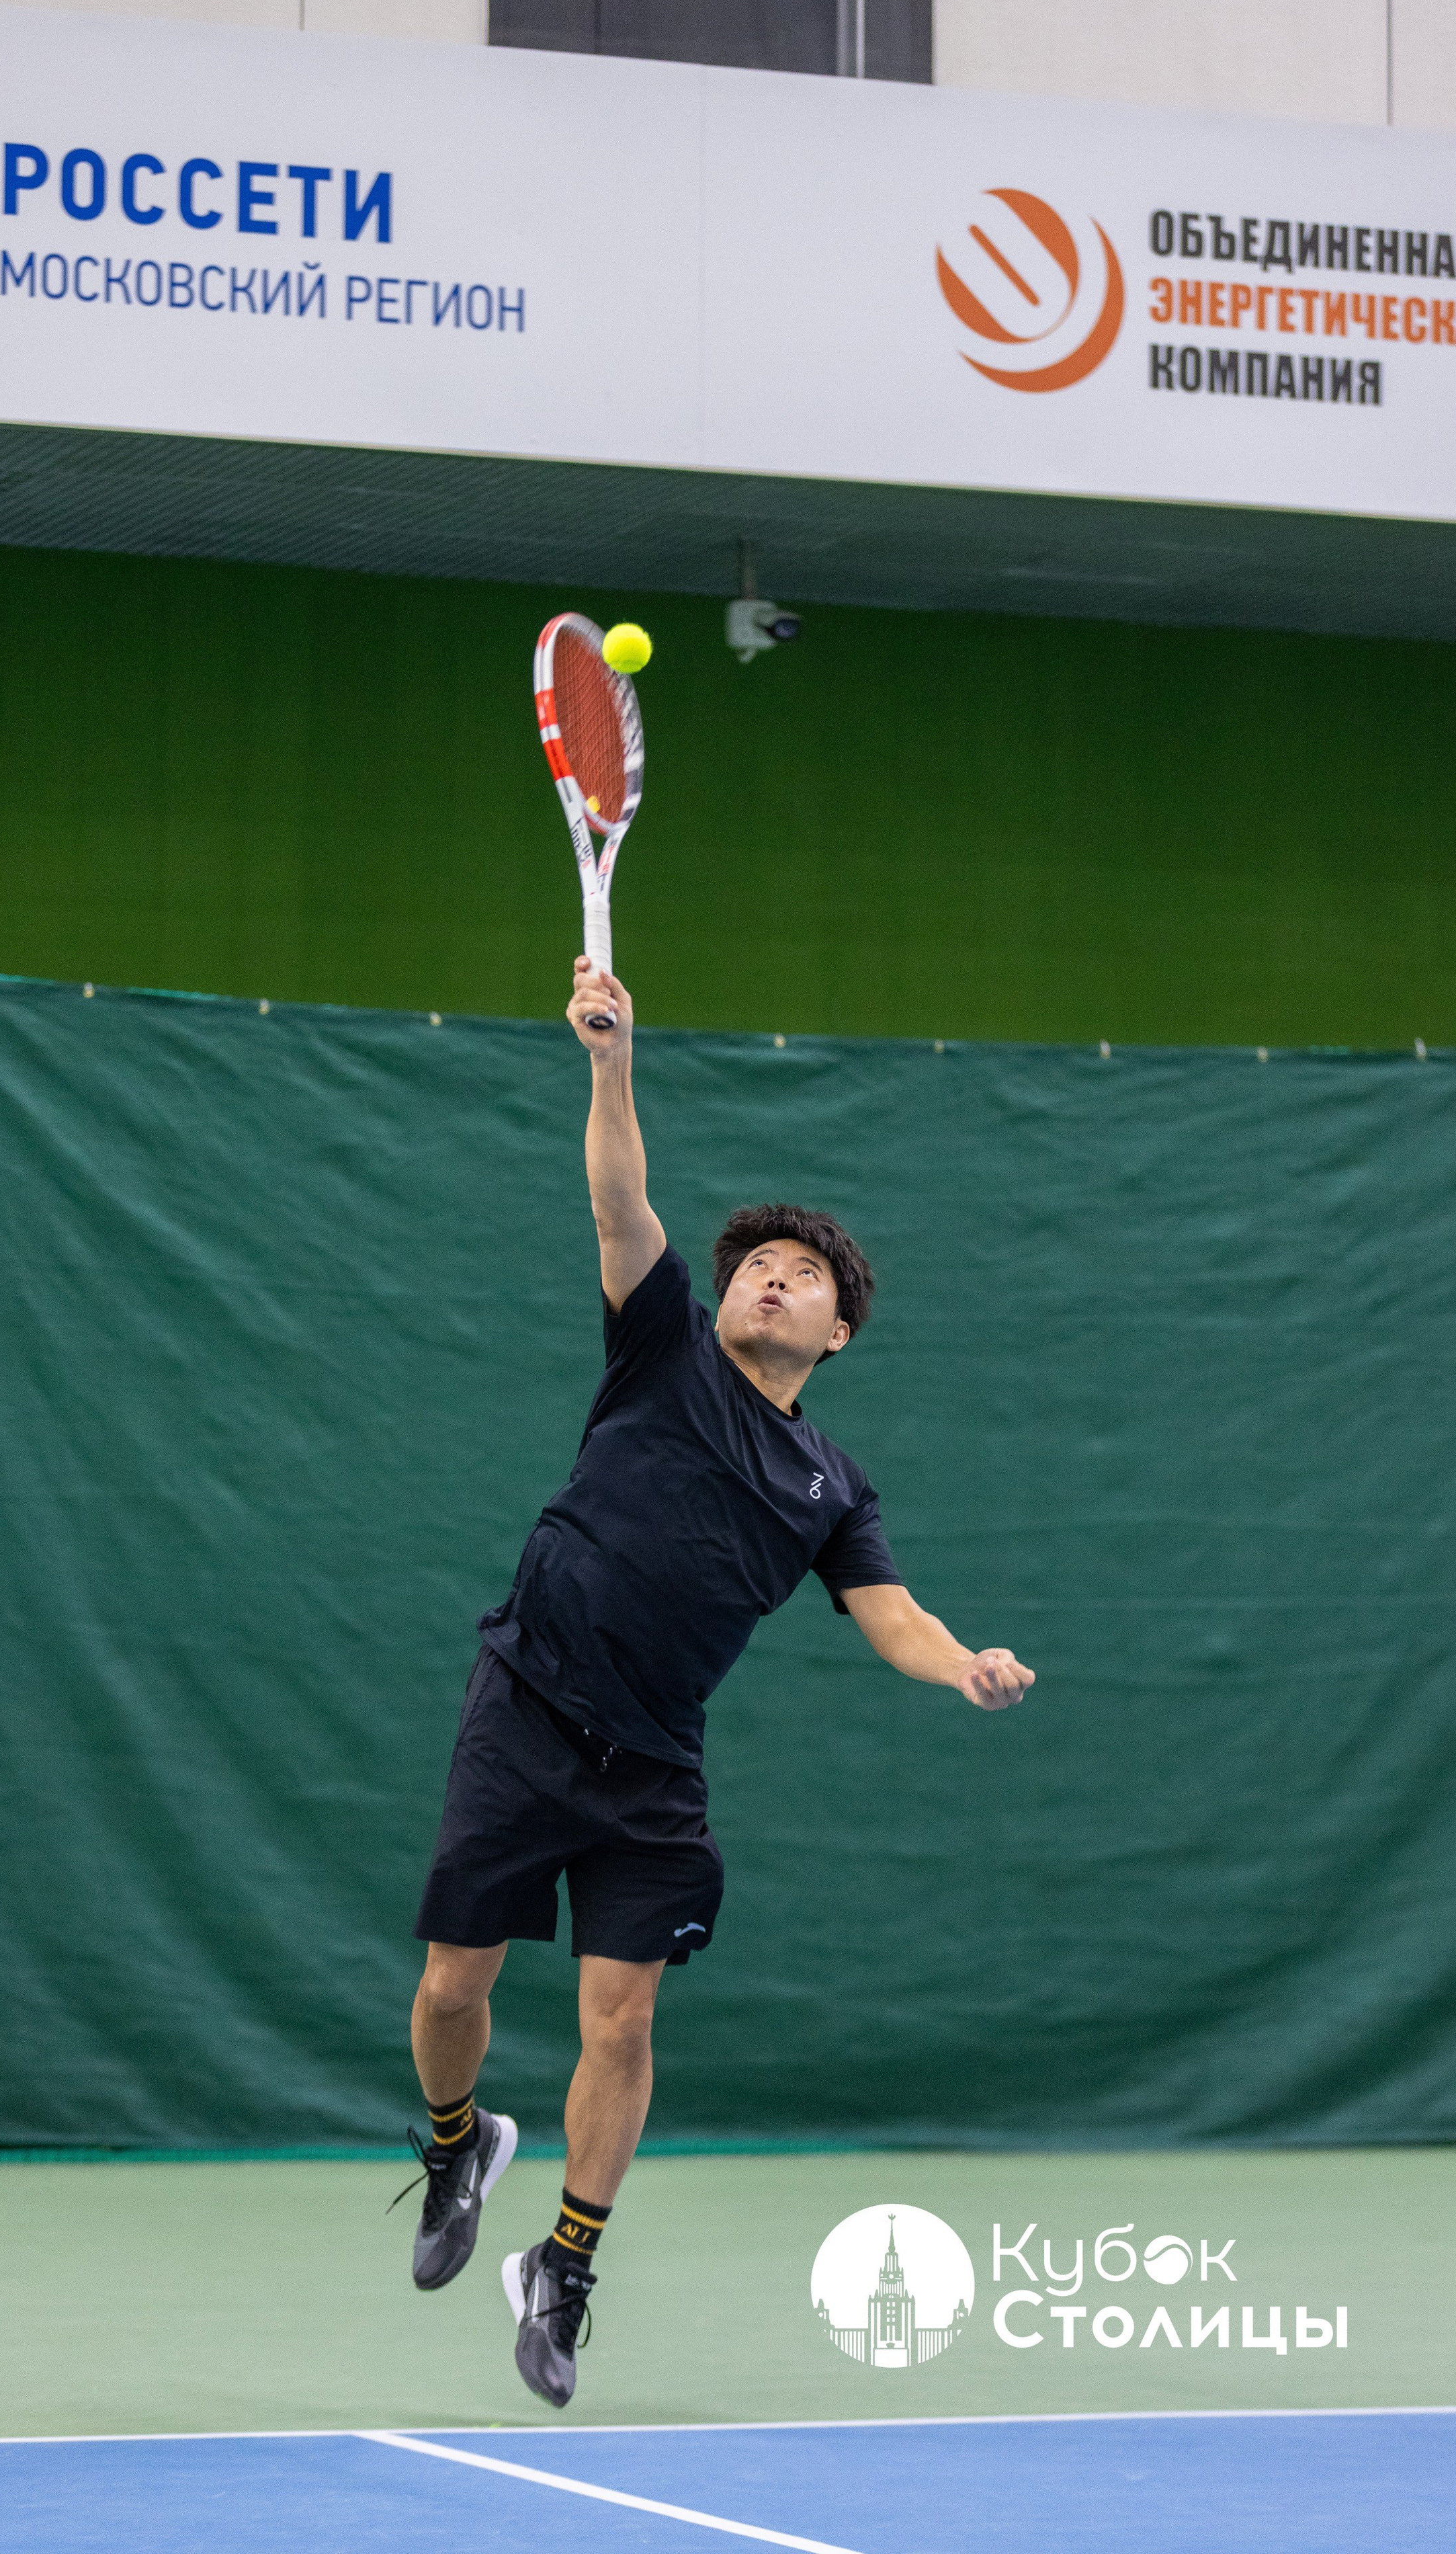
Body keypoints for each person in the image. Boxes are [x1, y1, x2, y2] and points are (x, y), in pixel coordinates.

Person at [400, 958, 1034, 2409]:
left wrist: (964, 1667)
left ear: (834, 1335)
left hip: (651, 1766)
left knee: (619, 2018)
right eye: (758, 1259)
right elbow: (623, 1203)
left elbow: (893, 1614)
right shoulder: (660, 1345)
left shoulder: (830, 1485)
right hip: (525, 1700)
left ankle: (561, 2263)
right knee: (453, 1986)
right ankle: (454, 2143)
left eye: (800, 1275)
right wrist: (610, 1062)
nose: (768, 1273)